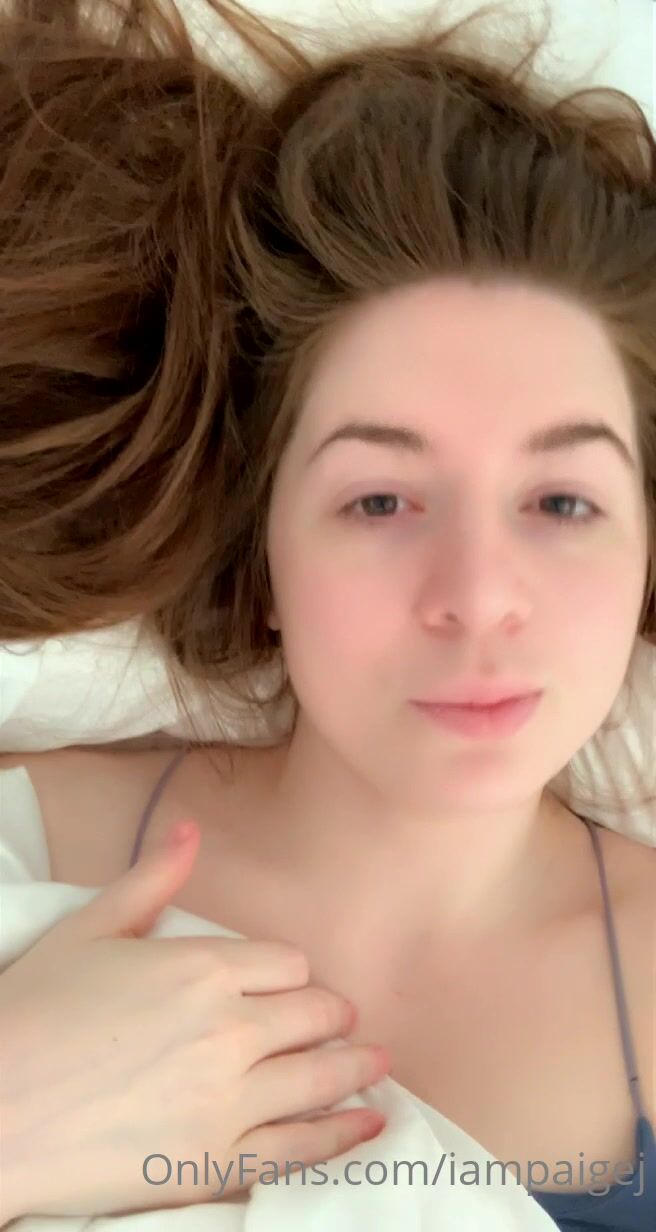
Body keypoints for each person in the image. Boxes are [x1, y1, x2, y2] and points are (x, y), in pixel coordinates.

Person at [0, 0, 655, 1227]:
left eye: (561, 500)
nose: (476, 596)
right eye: (379, 499)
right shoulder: (24, 836)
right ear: (261, 561)